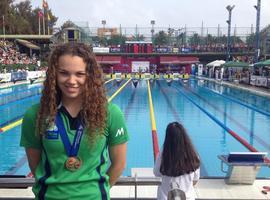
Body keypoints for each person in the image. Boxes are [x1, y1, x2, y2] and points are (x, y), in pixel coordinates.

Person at [20, 43, 129, 200]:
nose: (71, 81)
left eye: (80, 74)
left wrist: (95, 191)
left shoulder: (110, 114)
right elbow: (35, 165)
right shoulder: (35, 115)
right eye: (64, 73)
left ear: (90, 76)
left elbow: (119, 164)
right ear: (54, 75)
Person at [153, 122, 200, 200]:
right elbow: (195, 180)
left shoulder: (162, 155)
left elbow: (156, 173)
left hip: (166, 197)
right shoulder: (193, 156)